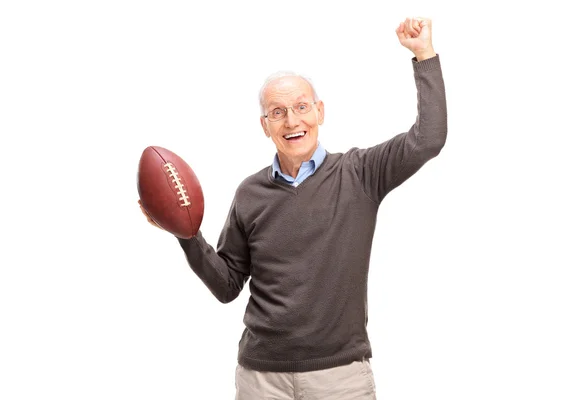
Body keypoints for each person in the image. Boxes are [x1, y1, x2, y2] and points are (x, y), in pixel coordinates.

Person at [139, 16, 447, 400]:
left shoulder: (361, 173)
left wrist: (424, 55)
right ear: (264, 125)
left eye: (301, 107)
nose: (292, 120)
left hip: (341, 378)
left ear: (320, 112)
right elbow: (226, 286)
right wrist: (185, 234)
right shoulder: (249, 193)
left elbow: (428, 139)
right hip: (261, 378)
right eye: (278, 112)